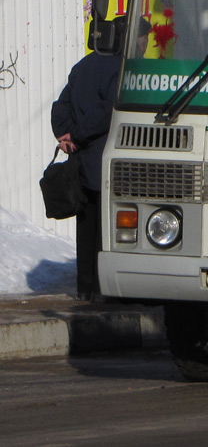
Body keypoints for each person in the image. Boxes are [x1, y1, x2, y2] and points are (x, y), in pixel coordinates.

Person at [50, 19, 134, 302]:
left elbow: (59, 107)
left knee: (85, 226)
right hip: (108, 164)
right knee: (108, 229)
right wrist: (79, 134)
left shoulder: (81, 67)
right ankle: (104, 290)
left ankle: (85, 288)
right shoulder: (120, 70)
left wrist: (65, 135)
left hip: (81, 163)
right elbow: (107, 113)